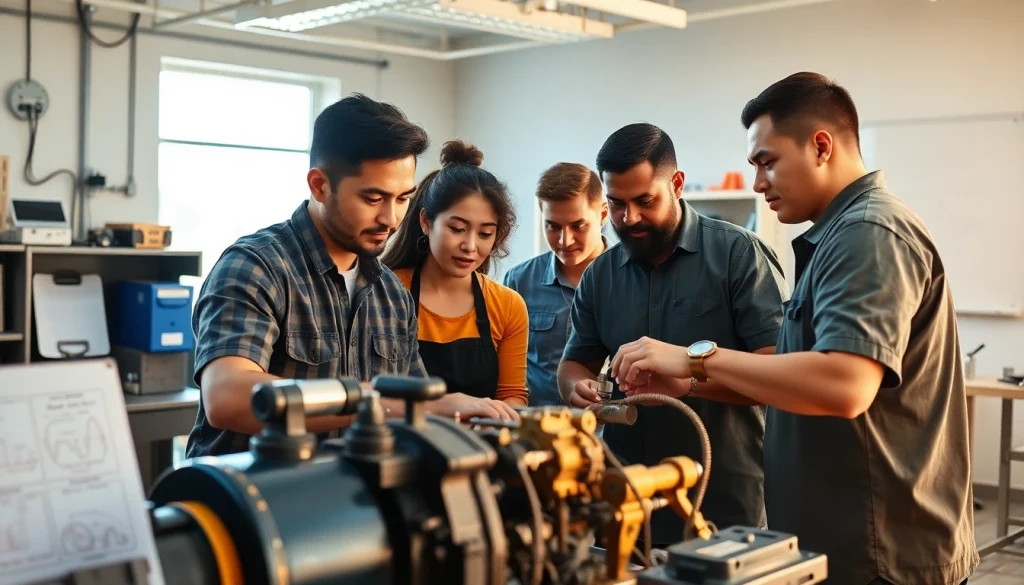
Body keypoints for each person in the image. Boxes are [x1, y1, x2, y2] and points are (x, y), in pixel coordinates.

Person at [609, 73, 978, 585]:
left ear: (821, 146)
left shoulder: (868, 233)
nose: (759, 183)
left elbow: (844, 386)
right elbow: (794, 375)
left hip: (878, 553)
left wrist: (695, 357)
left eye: (767, 162)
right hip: (842, 543)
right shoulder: (837, 236)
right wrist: (691, 383)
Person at [188, 94, 515, 458]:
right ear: (319, 185)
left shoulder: (390, 292)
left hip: (353, 506)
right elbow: (228, 398)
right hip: (253, 503)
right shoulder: (256, 267)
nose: (391, 219)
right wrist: (391, 406)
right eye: (373, 199)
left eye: (403, 198)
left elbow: (415, 404)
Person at [556, 123, 788, 548]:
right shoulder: (600, 275)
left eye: (645, 201)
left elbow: (778, 375)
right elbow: (574, 363)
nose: (630, 218)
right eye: (617, 204)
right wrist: (578, 388)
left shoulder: (739, 256)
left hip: (722, 502)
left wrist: (690, 380)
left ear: (676, 184)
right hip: (626, 502)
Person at [382, 140, 527, 412]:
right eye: (458, 228)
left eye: (485, 233)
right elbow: (372, 396)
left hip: (480, 447)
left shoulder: (508, 306)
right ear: (426, 222)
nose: (470, 246)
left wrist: (496, 417)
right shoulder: (386, 291)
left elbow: (513, 395)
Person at [503, 163, 609, 406]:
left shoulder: (632, 278)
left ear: (603, 215)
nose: (565, 240)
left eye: (578, 225)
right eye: (553, 226)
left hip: (611, 434)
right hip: (537, 432)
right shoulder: (518, 281)